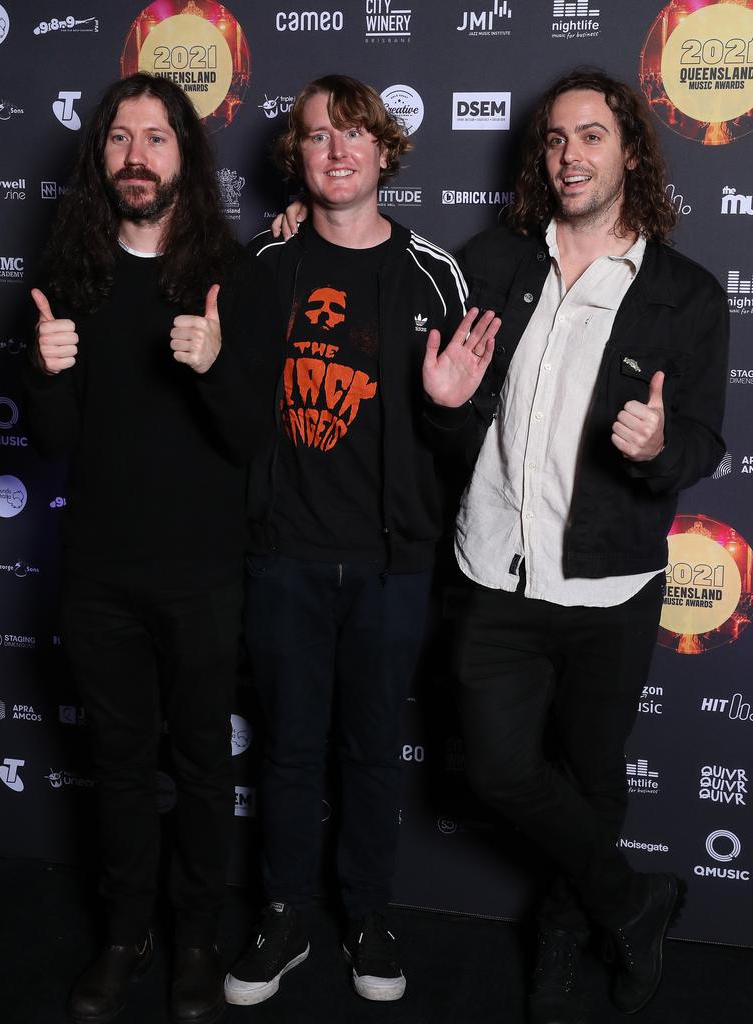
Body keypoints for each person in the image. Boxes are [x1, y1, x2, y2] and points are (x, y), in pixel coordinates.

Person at [422, 69, 729, 1023]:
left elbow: (704, 442)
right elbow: (456, 398)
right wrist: (441, 409)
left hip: (610, 589)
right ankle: (634, 901)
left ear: (630, 149)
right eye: (556, 140)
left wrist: (658, 450)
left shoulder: (686, 294)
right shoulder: (496, 262)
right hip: (494, 572)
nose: (571, 157)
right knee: (496, 767)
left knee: (593, 781)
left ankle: (567, 930)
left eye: (591, 137)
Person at [223, 74, 498, 1007]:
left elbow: (463, 437)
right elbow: (219, 405)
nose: (335, 151)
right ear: (296, 160)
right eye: (315, 138)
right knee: (291, 748)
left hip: (392, 566)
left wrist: (451, 410)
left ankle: (370, 914)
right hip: (283, 556)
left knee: (373, 748)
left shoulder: (433, 274)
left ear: (386, 150)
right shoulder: (261, 267)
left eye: (353, 135)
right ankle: (285, 915)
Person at [24, 73, 279, 1024]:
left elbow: (252, 438)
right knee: (121, 764)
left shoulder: (235, 281)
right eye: (121, 138)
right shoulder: (73, 277)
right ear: (103, 160)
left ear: (185, 158)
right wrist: (46, 378)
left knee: (204, 767)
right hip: (97, 577)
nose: (138, 154)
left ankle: (196, 941)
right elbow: (50, 439)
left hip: (203, 578)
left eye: (157, 138)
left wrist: (214, 367)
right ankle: (125, 932)